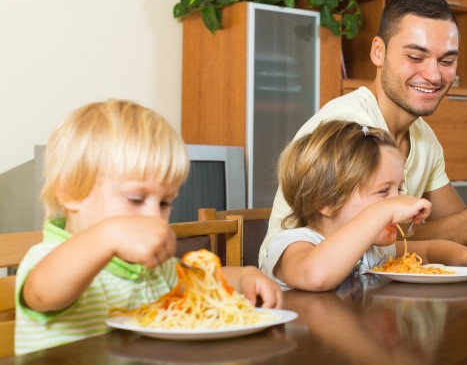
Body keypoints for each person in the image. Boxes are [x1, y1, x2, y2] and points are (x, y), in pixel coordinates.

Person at [260, 0, 467, 266]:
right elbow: (369, 242)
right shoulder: (348, 131)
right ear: (378, 52)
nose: (435, 75)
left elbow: (459, 225)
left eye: (446, 61)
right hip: (304, 302)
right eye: (416, 56)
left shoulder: (424, 137)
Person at [14, 100, 282, 355]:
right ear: (70, 191)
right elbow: (43, 292)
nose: (155, 216)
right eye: (135, 199)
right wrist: (108, 236)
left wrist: (245, 277)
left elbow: (204, 280)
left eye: (165, 202)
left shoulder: (150, 269)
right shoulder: (48, 259)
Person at [261, 119, 467, 291]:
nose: (397, 201)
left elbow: (433, 250)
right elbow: (316, 276)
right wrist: (383, 212)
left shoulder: (372, 249)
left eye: (399, 189)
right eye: (382, 192)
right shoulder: (292, 245)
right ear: (327, 201)